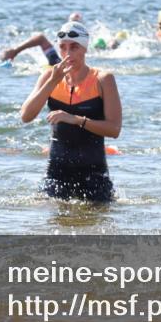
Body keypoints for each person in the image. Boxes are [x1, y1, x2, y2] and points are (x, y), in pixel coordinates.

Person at [20, 21, 122, 202]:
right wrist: (52, 82)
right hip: (56, 172)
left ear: (85, 49)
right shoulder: (49, 77)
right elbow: (26, 116)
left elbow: (114, 129)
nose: (68, 54)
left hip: (94, 173)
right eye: (63, 48)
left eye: (74, 47)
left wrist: (76, 119)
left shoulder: (103, 79)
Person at [1, 12, 83, 65]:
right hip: (58, 62)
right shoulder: (65, 33)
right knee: (41, 38)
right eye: (72, 22)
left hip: (63, 65)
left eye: (76, 23)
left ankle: (12, 53)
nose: (73, 25)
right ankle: (13, 52)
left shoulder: (82, 37)